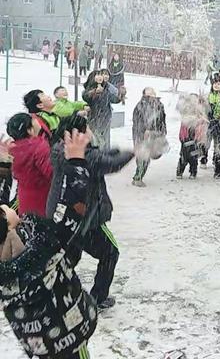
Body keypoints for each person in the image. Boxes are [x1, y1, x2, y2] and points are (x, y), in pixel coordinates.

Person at [0, 130, 97, 359]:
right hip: (68, 335)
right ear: (9, 227)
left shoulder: (8, 264)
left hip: (37, 340)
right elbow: (71, 211)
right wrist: (76, 163)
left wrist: (4, 165)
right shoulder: (42, 251)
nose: (5, 205)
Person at [47, 115, 134, 310]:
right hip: (85, 219)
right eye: (87, 128)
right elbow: (107, 163)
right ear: (79, 134)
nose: (91, 131)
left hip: (64, 218)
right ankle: (98, 298)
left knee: (69, 259)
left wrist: (114, 150)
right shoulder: (82, 157)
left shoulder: (59, 149)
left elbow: (98, 154)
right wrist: (134, 152)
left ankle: (54, 296)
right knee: (110, 253)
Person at [6, 113, 53, 216]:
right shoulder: (39, 147)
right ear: (30, 130)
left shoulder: (15, 150)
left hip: (25, 198)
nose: (36, 120)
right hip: (43, 198)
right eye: (33, 120)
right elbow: (52, 174)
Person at [132, 88, 167, 187]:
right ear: (144, 94)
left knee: (149, 156)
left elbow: (162, 120)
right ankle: (137, 177)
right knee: (143, 156)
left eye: (153, 91)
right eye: (149, 92)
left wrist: (162, 132)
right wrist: (145, 130)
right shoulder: (140, 106)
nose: (152, 93)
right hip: (142, 135)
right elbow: (137, 121)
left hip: (154, 134)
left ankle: (139, 176)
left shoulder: (160, 105)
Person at [82, 70, 122, 149]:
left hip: (105, 118)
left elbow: (114, 99)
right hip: (93, 118)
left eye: (101, 75)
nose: (100, 77)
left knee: (105, 140)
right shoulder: (89, 89)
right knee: (95, 139)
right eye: (97, 75)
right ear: (92, 78)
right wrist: (94, 92)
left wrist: (121, 95)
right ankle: (96, 155)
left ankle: (105, 155)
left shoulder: (105, 89)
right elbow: (86, 97)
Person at [176, 94, 208, 179]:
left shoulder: (200, 113)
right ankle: (180, 171)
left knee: (194, 157)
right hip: (185, 137)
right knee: (184, 156)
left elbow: (203, 123)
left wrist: (200, 137)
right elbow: (179, 109)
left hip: (196, 138)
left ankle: (193, 172)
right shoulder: (185, 112)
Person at [200, 79, 220, 167]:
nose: (217, 85)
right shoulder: (207, 96)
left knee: (217, 143)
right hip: (208, 122)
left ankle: (215, 159)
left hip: (218, 123)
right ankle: (203, 160)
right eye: (215, 84)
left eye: (219, 84)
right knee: (206, 142)